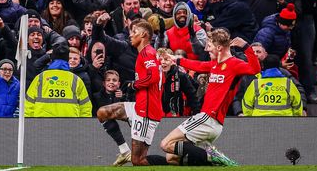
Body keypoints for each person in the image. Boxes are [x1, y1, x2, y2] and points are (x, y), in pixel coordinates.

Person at [160, 28, 260, 166]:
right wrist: (175, 60)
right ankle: (214, 161)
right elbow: (199, 65)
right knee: (171, 157)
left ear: (219, 47)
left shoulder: (234, 64)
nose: (207, 49)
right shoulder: (214, 65)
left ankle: (211, 156)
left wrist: (246, 47)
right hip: (210, 121)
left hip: (209, 118)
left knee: (166, 144)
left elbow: (255, 69)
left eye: (210, 46)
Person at [96, 19, 166, 166]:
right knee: (103, 112)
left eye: (134, 32)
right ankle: (124, 151)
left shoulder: (148, 52)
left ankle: (175, 163)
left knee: (138, 161)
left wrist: (135, 84)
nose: (131, 35)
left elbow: (153, 77)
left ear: (144, 35)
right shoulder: (144, 53)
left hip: (147, 111)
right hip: (139, 105)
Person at [25, 43, 92, 117]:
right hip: (71, 124)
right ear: (67, 59)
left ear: (52, 58)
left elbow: (28, 105)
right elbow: (86, 107)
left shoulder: (40, 78)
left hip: (42, 124)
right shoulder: (76, 80)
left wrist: (29, 124)